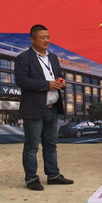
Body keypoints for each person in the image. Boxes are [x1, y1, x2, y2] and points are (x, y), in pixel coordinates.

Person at [15, 24, 74, 191]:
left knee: (51, 144)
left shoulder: (53, 57)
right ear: (32, 39)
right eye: (42, 37)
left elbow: (58, 75)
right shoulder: (23, 58)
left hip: (52, 108)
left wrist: (61, 82)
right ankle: (31, 178)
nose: (47, 40)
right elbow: (22, 81)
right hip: (34, 108)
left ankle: (53, 175)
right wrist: (47, 84)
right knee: (32, 146)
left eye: (48, 37)